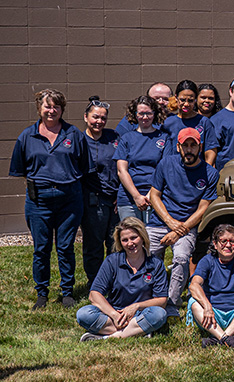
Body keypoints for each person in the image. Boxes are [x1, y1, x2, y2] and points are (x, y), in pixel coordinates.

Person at [10, 88, 94, 309]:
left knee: (66, 246)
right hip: (39, 202)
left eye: (56, 106)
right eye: (47, 105)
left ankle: (67, 292)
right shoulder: (27, 136)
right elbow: (20, 169)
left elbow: (85, 167)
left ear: (62, 109)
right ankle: (42, 293)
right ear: (39, 108)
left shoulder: (74, 134)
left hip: (69, 200)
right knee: (41, 248)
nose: (51, 110)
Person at [147, 127, 219, 316]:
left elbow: (203, 209)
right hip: (159, 222)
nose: (189, 150)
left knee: (181, 259)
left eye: (193, 146)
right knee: (148, 257)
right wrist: (169, 222)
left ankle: (172, 303)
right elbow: (155, 195)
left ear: (200, 147)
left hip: (187, 226)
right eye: (185, 145)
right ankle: (150, 299)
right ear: (178, 147)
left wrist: (179, 230)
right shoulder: (166, 163)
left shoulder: (210, 173)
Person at [75, 217, 168, 341]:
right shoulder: (112, 261)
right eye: (125, 240)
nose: (130, 243)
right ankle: (136, 331)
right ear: (120, 242)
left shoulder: (156, 264)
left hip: (141, 313)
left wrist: (136, 306)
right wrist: (114, 315)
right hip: (113, 312)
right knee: (83, 314)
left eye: (134, 237)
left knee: (159, 315)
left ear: (142, 237)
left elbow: (161, 300)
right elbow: (94, 294)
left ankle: (109, 337)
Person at [187, 224, 234, 348]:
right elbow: (194, 285)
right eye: (223, 241)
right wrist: (207, 306)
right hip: (212, 314)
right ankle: (226, 339)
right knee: (194, 302)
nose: (228, 245)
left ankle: (220, 338)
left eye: (232, 241)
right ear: (215, 244)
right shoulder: (207, 260)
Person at [80, 96, 120, 287]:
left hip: (115, 200)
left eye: (103, 118)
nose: (99, 122)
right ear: (86, 117)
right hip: (93, 201)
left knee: (115, 245)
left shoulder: (113, 137)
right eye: (95, 117)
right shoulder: (79, 141)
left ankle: (113, 281)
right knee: (93, 245)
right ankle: (95, 283)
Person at [113, 95, 168, 223]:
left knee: (152, 241)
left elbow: (165, 170)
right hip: (128, 199)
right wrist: (137, 196)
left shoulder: (164, 138)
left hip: (156, 197)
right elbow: (122, 171)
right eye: (141, 113)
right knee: (131, 238)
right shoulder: (126, 138)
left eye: (148, 113)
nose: (144, 117)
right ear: (135, 114)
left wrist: (151, 195)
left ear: (154, 114)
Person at [161, 80, 219, 166]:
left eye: (190, 100)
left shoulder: (204, 122)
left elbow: (211, 149)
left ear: (196, 99)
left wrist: (206, 169)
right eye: (183, 100)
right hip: (174, 170)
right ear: (176, 98)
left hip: (197, 171)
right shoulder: (168, 122)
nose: (186, 104)